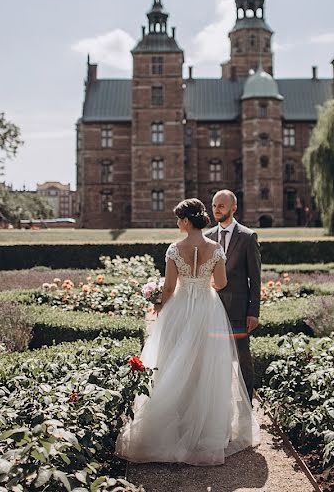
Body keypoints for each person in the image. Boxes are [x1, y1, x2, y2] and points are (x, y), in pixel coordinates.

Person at [115, 198, 260, 465]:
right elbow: (222, 282)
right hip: (208, 308)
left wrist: (159, 302)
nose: (177, 223)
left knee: (173, 361)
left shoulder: (174, 249)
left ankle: (176, 424)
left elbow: (169, 287)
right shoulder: (215, 248)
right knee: (206, 366)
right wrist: (203, 286)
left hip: (180, 308)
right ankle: (205, 427)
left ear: (184, 221)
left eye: (177, 219)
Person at [206, 189, 262, 401]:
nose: (216, 209)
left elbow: (255, 279)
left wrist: (253, 311)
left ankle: (247, 403)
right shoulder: (207, 237)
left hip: (238, 310)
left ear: (233, 208)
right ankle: (218, 404)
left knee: (243, 359)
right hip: (211, 308)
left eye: (221, 205)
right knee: (214, 359)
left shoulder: (248, 237)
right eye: (214, 205)